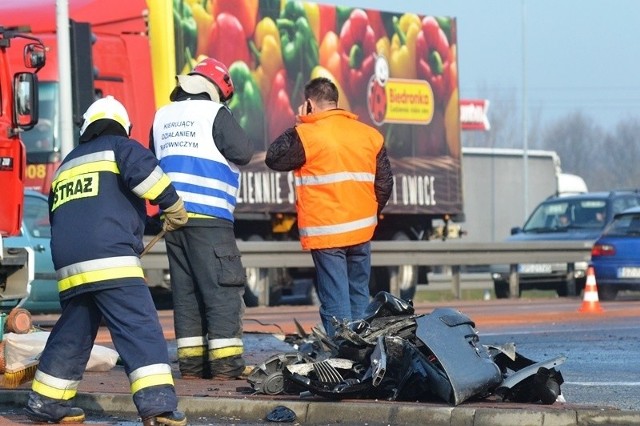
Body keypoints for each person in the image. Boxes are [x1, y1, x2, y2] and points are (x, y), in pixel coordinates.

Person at [24, 96, 189, 425]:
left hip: (69, 266)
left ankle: (46, 402)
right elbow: (147, 175)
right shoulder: (121, 147)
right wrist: (173, 205)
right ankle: (158, 406)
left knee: (73, 332)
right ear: (123, 127)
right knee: (138, 328)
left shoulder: (67, 164)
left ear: (86, 127)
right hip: (111, 259)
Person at [265, 77, 394, 336]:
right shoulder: (370, 135)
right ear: (336, 102)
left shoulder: (307, 135)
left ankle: (343, 356)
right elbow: (385, 184)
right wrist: (369, 213)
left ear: (309, 104)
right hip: (361, 232)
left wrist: (300, 124)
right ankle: (363, 355)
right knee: (359, 295)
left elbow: (274, 158)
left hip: (327, 234)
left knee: (336, 301)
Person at [150, 58, 254, 380]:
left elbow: (152, 159)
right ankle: (226, 368)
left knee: (187, 294)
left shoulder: (161, 116)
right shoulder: (215, 114)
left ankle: (192, 369)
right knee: (222, 290)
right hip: (210, 218)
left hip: (174, 221)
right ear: (215, 91)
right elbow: (243, 153)